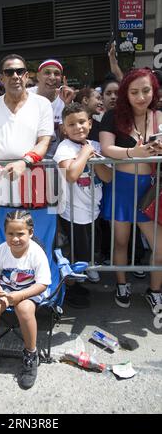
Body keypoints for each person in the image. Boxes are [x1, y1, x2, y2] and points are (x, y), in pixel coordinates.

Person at [99, 68, 162, 315]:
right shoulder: (112, 116)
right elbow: (106, 148)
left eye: (146, 90)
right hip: (121, 188)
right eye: (134, 91)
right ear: (126, 93)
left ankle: (154, 291)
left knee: (159, 247)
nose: (140, 96)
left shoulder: (158, 116)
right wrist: (132, 153)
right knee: (121, 242)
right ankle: (121, 285)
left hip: (151, 190)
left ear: (153, 90)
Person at [0, 210, 51, 389]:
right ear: (5, 233)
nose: (15, 238)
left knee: (24, 309)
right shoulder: (2, 250)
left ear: (31, 233)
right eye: (10, 234)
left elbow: (43, 283)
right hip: (7, 288)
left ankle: (30, 354)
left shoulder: (36, 253)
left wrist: (20, 296)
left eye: (20, 234)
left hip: (31, 289)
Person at [54, 103, 112, 308]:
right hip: (73, 211)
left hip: (92, 208)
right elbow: (71, 175)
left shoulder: (95, 145)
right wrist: (85, 154)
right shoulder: (65, 148)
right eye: (71, 124)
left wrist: (95, 158)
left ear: (89, 123)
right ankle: (71, 289)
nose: (78, 127)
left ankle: (83, 274)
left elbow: (107, 176)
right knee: (76, 252)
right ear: (64, 128)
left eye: (81, 122)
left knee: (88, 248)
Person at [0, 54, 53, 207]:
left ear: (26, 75)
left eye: (19, 71)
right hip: (0, 182)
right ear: (1, 78)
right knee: (3, 228)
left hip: (33, 178)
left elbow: (44, 143)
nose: (15, 76)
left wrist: (24, 162)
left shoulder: (42, 104)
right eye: (9, 72)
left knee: (34, 228)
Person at [27, 59, 65, 157]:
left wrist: (68, 106)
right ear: (38, 76)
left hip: (55, 160)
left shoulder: (65, 98)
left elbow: (67, 135)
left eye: (56, 74)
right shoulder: (26, 95)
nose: (52, 77)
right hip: (27, 158)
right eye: (47, 73)